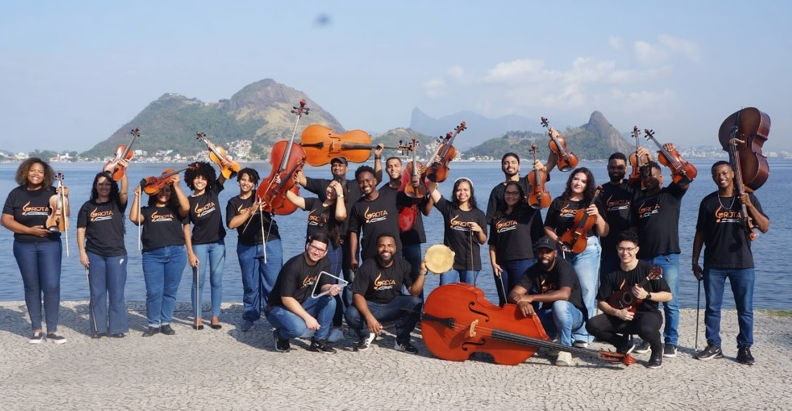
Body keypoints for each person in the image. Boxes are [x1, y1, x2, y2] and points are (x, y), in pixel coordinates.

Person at [692, 161, 769, 365]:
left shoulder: (747, 198)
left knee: (745, 308)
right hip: (713, 264)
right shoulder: (708, 202)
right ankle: (714, 345)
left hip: (742, 264)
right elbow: (700, 233)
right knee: (712, 307)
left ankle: (744, 347)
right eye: (716, 174)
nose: (721, 177)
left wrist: (749, 204)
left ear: (733, 173)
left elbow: (765, 226)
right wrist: (694, 261)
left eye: (725, 173)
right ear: (713, 177)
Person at [1, 158, 70, 344]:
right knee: (31, 286)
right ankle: (37, 330)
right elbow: (6, 220)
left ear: (46, 174)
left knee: (51, 285)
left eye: (40, 171)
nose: (36, 174)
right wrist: (30, 230)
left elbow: (64, 217)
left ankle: (53, 330)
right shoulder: (16, 194)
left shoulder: (53, 192)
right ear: (25, 172)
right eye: (32, 170)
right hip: (24, 245)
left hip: (50, 244)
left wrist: (65, 198)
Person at [630, 153, 691, 358]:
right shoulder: (639, 201)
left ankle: (671, 341)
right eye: (644, 176)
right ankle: (648, 339)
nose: (648, 179)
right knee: (646, 302)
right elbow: (635, 230)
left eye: (653, 175)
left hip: (667, 257)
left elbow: (685, 177)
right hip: (645, 259)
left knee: (670, 302)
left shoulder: (671, 194)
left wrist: (671, 156)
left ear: (662, 177)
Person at [586, 230, 672, 369]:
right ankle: (622, 343)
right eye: (621, 249)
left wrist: (648, 295)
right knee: (592, 324)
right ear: (617, 249)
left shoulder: (649, 270)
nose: (625, 253)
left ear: (637, 249)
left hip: (646, 315)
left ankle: (657, 350)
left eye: (629, 249)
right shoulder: (611, 273)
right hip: (621, 315)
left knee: (646, 328)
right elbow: (601, 301)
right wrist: (616, 312)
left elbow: (668, 295)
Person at [543, 167, 608, 347]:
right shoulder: (559, 202)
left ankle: (584, 334)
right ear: (570, 180)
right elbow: (547, 227)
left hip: (587, 249)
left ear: (588, 185)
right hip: (563, 248)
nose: (578, 183)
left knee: (587, 290)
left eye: (583, 181)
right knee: (562, 289)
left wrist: (598, 216)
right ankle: (562, 330)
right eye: (576, 179)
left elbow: (604, 231)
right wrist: (558, 240)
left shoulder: (592, 203)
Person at [508, 236, 587, 367]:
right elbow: (514, 293)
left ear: (555, 253)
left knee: (559, 305)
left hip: (574, 316)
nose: (544, 255)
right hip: (550, 315)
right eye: (540, 251)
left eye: (548, 251)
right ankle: (546, 343)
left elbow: (564, 294)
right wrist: (521, 302)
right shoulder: (533, 270)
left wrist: (532, 298)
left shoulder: (564, 266)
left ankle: (565, 349)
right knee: (519, 311)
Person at [285, 178, 347, 342]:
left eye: (334, 189)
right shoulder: (315, 202)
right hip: (312, 250)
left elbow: (341, 216)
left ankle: (338, 327)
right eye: (329, 186)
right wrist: (282, 184)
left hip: (331, 251)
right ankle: (316, 325)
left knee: (331, 288)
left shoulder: (337, 207)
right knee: (315, 285)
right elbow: (295, 199)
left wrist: (339, 193)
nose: (330, 190)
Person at [129, 175, 190, 337]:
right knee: (153, 291)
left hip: (176, 253)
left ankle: (166, 322)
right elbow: (134, 218)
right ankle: (153, 324)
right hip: (152, 255)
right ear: (154, 192)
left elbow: (187, 207)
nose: (164, 193)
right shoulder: (147, 211)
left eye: (167, 190)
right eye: (161, 190)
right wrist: (137, 196)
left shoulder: (176, 210)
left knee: (170, 290)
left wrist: (176, 186)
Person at [345, 234, 427, 353]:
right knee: (351, 314)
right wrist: (370, 318)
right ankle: (366, 335)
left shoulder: (403, 265)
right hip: (371, 305)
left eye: (389, 245)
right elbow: (357, 295)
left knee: (415, 303)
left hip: (392, 305)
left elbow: (414, 292)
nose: (386, 249)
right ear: (376, 248)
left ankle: (401, 341)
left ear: (395, 248)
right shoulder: (367, 266)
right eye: (381, 246)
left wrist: (422, 272)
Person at [226, 168, 283, 332]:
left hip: (269, 243)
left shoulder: (261, 195)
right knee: (250, 284)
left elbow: (277, 196)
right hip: (246, 246)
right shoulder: (233, 202)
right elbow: (231, 224)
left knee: (272, 283)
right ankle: (250, 315)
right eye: (243, 179)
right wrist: (250, 211)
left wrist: (278, 183)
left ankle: (275, 317)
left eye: (250, 181)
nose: (246, 183)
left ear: (254, 184)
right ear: (238, 181)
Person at [265, 232, 341, 353]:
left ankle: (318, 341)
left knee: (330, 300)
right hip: (278, 307)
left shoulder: (324, 261)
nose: (316, 252)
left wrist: (329, 289)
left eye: (321, 250)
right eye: (314, 247)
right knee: (298, 328)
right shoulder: (294, 265)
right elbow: (286, 298)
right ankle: (280, 335)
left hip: (302, 303)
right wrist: (308, 318)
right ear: (307, 246)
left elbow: (324, 285)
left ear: (325, 252)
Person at [76, 168, 129, 339]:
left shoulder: (117, 203)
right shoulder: (87, 206)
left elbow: (125, 190)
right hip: (95, 254)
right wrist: (82, 253)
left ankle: (117, 328)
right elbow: (81, 230)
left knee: (116, 292)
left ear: (111, 185)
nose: (104, 187)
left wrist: (123, 171)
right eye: (100, 184)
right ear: (95, 186)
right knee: (97, 293)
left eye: (107, 184)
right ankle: (99, 328)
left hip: (116, 254)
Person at [184, 161, 228, 330]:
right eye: (196, 178)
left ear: (208, 179)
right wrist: (190, 253)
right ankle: (197, 317)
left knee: (216, 280)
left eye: (203, 178)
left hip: (218, 243)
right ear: (191, 180)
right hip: (199, 245)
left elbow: (227, 171)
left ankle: (215, 316)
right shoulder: (188, 202)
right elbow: (186, 228)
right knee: (198, 281)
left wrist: (219, 157)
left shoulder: (213, 191)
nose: (200, 181)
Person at [379, 156, 433, 295]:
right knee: (394, 277)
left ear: (402, 168)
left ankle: (417, 311)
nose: (393, 169)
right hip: (392, 240)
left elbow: (426, 211)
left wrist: (431, 190)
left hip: (412, 237)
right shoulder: (382, 192)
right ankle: (397, 310)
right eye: (390, 166)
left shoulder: (413, 186)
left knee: (416, 275)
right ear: (386, 170)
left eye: (396, 165)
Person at [488, 181, 545, 306]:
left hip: (523, 261)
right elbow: (492, 243)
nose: (511, 196)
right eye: (508, 193)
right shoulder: (497, 216)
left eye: (515, 193)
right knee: (504, 300)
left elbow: (540, 200)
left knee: (521, 299)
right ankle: (506, 326)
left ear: (521, 195)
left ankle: (529, 325)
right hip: (501, 265)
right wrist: (493, 263)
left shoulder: (528, 212)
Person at [427, 177, 487, 285]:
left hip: (470, 262)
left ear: (471, 192)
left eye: (465, 190)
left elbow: (483, 241)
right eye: (458, 190)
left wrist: (479, 230)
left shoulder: (479, 214)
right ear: (454, 192)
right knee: (445, 293)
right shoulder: (448, 208)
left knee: (468, 297)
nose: (462, 193)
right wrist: (435, 174)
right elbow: (431, 189)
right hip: (448, 262)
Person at [348, 165, 405, 270]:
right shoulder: (357, 206)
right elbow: (354, 233)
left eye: (367, 180)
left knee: (395, 285)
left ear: (375, 180)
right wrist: (353, 257)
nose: (365, 184)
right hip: (370, 255)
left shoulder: (392, 196)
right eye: (361, 182)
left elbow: (414, 197)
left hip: (393, 254)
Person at [485, 152, 554, 224]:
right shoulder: (496, 190)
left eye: (513, 162)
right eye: (506, 163)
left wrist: (542, 168)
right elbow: (491, 219)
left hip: (533, 231)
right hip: (508, 232)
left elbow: (552, 162)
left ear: (519, 167)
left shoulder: (531, 180)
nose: (510, 165)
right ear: (502, 167)